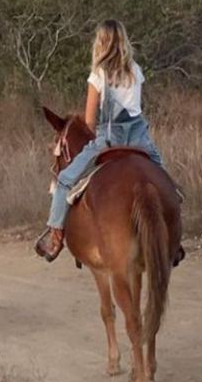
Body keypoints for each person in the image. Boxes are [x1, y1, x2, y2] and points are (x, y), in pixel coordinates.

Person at [35, 20, 165, 262]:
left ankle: (55, 239)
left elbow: (90, 122)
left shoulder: (98, 75)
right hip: (139, 139)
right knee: (166, 182)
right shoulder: (136, 70)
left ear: (101, 43)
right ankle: (172, 240)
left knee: (64, 181)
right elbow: (137, 108)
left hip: (109, 140)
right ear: (124, 42)